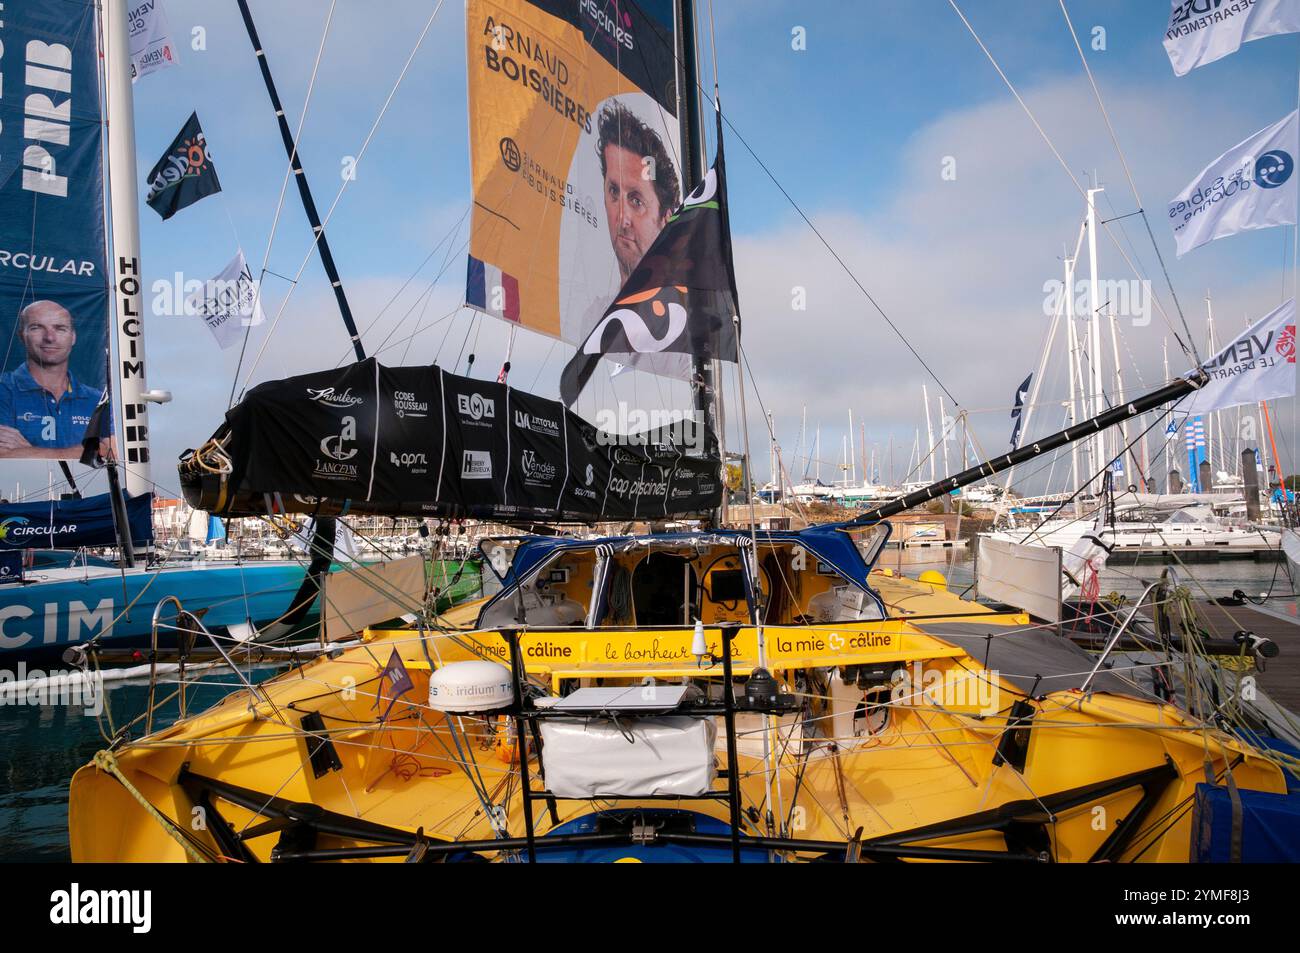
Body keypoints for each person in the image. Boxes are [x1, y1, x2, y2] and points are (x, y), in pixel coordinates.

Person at [0, 300, 113, 459]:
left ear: (73, 337)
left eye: (60, 328)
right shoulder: (4, 389)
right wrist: (85, 452)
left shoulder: (97, 399)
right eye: (37, 327)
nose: (50, 338)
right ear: (22, 336)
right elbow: (3, 454)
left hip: (83, 485)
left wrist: (28, 451)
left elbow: (110, 453)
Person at [596, 102, 681, 282]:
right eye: (614, 191)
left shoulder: (682, 308)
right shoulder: (593, 310)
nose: (622, 218)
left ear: (665, 220)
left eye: (636, 201)